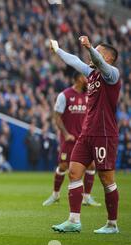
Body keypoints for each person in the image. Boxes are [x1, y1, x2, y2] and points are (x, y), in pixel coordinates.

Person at [49, 36, 121, 234]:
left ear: (107, 58)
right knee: (73, 172)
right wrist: (58, 50)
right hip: (86, 133)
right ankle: (74, 221)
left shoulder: (112, 75)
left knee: (106, 179)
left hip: (104, 134)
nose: (91, 56)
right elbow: (75, 61)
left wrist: (90, 47)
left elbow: (97, 62)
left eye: (97, 52)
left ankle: (112, 224)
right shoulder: (91, 74)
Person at [42, 72, 101, 207]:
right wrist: (65, 133)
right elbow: (56, 117)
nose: (88, 80)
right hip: (69, 138)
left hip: (85, 138)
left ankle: (87, 197)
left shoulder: (89, 95)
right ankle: (55, 195)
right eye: (85, 77)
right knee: (63, 166)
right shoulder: (64, 95)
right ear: (79, 79)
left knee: (91, 166)